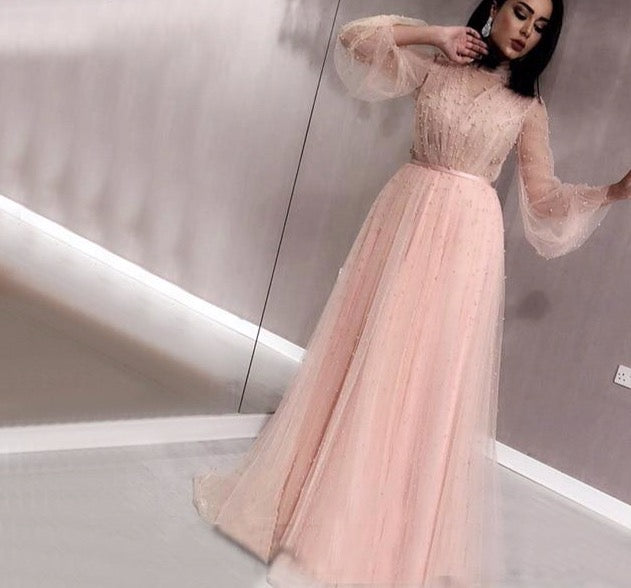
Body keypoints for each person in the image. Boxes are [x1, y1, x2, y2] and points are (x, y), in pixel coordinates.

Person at [192, 1, 631, 586]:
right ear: (494, 8)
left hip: (468, 241)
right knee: (370, 352)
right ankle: (322, 499)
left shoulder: (527, 108)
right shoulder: (437, 65)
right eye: (520, 13)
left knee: (426, 376)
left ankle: (385, 529)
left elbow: (544, 200)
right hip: (405, 216)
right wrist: (435, 35)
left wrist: (612, 192)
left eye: (540, 26)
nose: (527, 31)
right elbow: (355, 41)